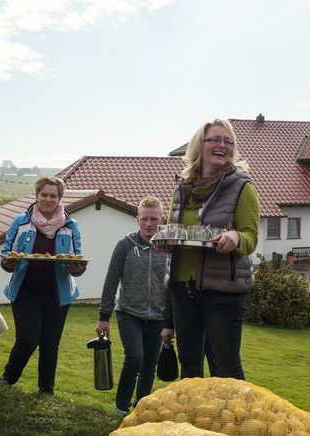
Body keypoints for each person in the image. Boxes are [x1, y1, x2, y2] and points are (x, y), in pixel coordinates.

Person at [160, 118, 260, 379]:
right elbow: (175, 231)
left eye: (228, 141)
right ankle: (194, 419)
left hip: (222, 291)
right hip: (183, 287)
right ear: (199, 146)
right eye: (215, 139)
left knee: (225, 367)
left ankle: (234, 419)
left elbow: (251, 236)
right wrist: (164, 242)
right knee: (190, 366)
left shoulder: (242, 187)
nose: (222, 145)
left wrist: (236, 238)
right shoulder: (181, 189)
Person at [0, 176, 87, 395]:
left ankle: (46, 390)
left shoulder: (71, 226)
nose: (48, 199)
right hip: (25, 291)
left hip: (58, 294)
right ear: (36, 196)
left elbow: (77, 261)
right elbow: (6, 255)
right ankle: (8, 379)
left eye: (52, 196)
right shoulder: (20, 222)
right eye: (43, 195)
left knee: (50, 344)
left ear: (59, 199)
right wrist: (9, 261)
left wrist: (77, 267)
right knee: (27, 340)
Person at [96, 196, 168, 416]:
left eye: (153, 219)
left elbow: (175, 285)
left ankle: (141, 408)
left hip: (158, 317)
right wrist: (104, 316)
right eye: (144, 219)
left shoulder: (170, 248)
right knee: (135, 357)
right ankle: (121, 406)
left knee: (149, 364)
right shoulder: (125, 245)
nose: (148, 224)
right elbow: (111, 280)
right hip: (129, 313)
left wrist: (172, 320)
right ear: (137, 219)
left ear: (162, 220)